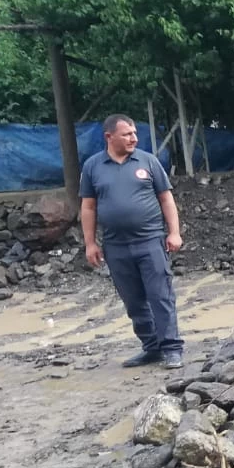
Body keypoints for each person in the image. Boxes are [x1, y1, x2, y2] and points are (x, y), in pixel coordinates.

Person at [80, 115, 185, 368]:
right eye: (127, 134)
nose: (134, 138)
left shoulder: (148, 161)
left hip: (150, 241)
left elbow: (166, 199)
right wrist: (90, 243)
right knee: (133, 300)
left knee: (160, 296)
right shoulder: (93, 167)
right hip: (115, 246)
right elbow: (89, 207)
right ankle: (151, 348)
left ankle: (172, 348)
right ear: (109, 137)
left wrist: (174, 233)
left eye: (135, 133)